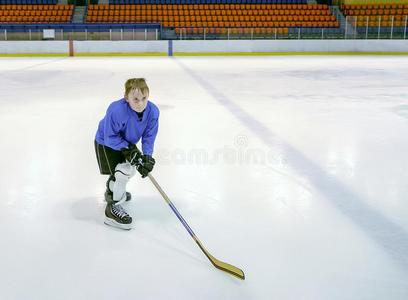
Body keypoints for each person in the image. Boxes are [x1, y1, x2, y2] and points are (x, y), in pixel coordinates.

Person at [94, 78, 159, 230]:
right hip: (106, 142)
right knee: (123, 171)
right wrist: (129, 150)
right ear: (126, 97)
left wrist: (147, 156)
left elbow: (149, 136)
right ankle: (112, 209)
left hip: (127, 143)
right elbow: (110, 137)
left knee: (128, 171)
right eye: (135, 99)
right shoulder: (116, 110)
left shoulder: (153, 111)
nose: (140, 103)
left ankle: (112, 190)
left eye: (144, 98)